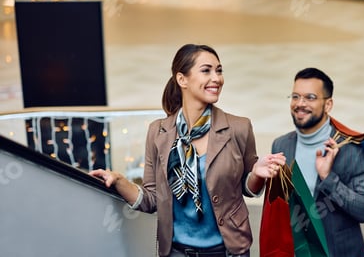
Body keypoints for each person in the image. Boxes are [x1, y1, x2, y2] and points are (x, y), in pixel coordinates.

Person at [90, 44, 285, 257]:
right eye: (206, 70)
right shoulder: (158, 132)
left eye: (219, 70)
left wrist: (257, 174)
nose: (217, 78)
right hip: (176, 252)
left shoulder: (239, 127)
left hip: (229, 251)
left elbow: (248, 188)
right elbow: (152, 199)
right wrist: (119, 181)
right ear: (182, 79)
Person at [271, 67, 364, 257]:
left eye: (310, 97)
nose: (299, 104)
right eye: (295, 96)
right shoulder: (281, 145)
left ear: (328, 104)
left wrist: (328, 178)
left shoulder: (352, 150)